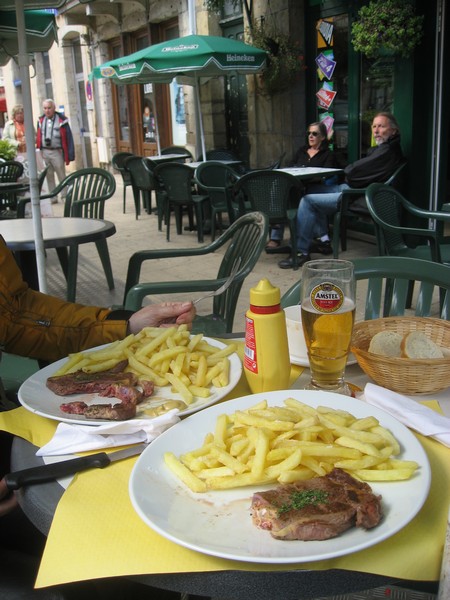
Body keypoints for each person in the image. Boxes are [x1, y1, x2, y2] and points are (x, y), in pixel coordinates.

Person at [278, 112, 404, 269]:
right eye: (374, 126)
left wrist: (350, 172)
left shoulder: (387, 151)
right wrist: (351, 172)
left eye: (381, 126)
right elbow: (355, 172)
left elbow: (352, 172)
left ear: (394, 130)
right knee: (309, 189)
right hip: (353, 189)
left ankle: (301, 252)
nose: (376, 130)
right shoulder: (384, 148)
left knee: (308, 201)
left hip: (354, 195)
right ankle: (322, 241)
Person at [266, 121, 338, 254]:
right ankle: (275, 232)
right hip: (296, 186)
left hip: (314, 187)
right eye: (309, 133)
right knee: (279, 188)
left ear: (322, 137)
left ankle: (323, 238)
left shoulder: (328, 154)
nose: (310, 136)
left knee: (311, 198)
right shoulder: (302, 151)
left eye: (314, 134)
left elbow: (327, 173)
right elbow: (291, 165)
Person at [36, 99, 75, 204]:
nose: (47, 110)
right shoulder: (40, 120)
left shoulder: (62, 120)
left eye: (49, 108)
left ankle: (65, 195)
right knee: (48, 175)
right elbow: (38, 135)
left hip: (57, 151)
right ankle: (53, 197)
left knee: (61, 174)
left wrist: (70, 154)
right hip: (45, 151)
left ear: (54, 108)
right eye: (45, 108)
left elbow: (69, 137)